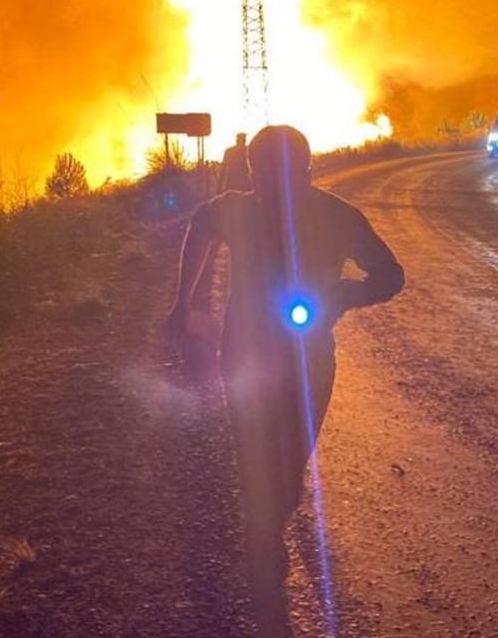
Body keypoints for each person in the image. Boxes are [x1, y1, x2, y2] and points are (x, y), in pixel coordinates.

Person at [167, 126, 404, 636]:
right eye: (263, 172)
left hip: (307, 356)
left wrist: (343, 294)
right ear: (252, 173)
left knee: (292, 455)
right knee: (254, 447)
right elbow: (199, 227)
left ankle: (269, 521)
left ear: (307, 169)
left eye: (283, 171)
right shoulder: (238, 208)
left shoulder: (339, 216)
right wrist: (185, 301)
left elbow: (390, 276)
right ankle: (263, 529)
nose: (272, 183)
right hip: (251, 352)